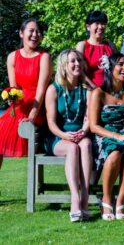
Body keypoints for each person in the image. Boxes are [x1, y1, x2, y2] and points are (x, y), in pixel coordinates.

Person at [89, 53, 124, 220]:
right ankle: (106, 198)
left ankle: (120, 200)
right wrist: (117, 137)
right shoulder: (99, 93)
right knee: (114, 155)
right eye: (120, 64)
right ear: (110, 68)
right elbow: (93, 126)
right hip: (105, 134)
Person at [44, 49, 92, 222]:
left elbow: (89, 118)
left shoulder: (86, 90)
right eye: (72, 61)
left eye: (79, 60)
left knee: (85, 145)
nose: (77, 64)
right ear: (64, 66)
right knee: (72, 148)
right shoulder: (53, 89)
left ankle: (85, 195)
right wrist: (65, 134)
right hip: (58, 136)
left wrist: (84, 131)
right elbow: (51, 122)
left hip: (81, 133)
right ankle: (75, 198)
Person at [0, 18, 52, 169]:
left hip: (37, 108)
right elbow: (14, 88)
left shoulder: (44, 57)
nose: (35, 34)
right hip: (19, 108)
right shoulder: (12, 57)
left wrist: (31, 117)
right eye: (31, 30)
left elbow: (41, 91)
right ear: (21, 33)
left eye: (38, 32)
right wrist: (11, 98)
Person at [76, 10, 118, 89]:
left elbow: (118, 67)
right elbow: (79, 72)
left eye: (103, 23)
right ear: (88, 27)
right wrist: (95, 89)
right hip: (89, 90)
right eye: (97, 23)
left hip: (110, 90)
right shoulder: (82, 46)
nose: (100, 27)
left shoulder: (110, 45)